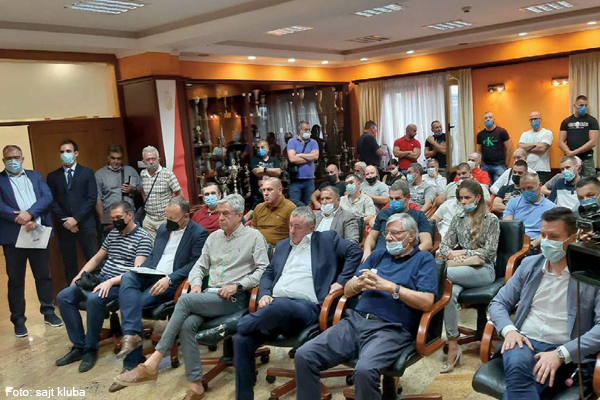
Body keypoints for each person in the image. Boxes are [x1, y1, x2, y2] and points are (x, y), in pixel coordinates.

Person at [114, 194, 269, 400]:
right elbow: (199, 267)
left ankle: (152, 363)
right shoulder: (214, 238)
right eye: (219, 213)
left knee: (185, 301)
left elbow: (263, 270)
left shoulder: (254, 237)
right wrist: (195, 284)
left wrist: (239, 285)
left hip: (235, 298)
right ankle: (196, 387)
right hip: (210, 295)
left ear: (240, 215)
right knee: (187, 324)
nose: (221, 218)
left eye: (226, 214)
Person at [294, 213, 438, 400]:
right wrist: (358, 284)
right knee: (304, 355)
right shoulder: (377, 256)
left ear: (411, 236)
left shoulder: (423, 259)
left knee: (364, 371)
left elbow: (427, 302)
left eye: (395, 233)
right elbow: (347, 290)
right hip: (355, 322)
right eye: (387, 233)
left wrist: (391, 288)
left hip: (391, 329)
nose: (388, 238)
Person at [234, 206, 362, 400]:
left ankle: (235, 325)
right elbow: (268, 273)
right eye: (290, 226)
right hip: (274, 310)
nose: (292, 231)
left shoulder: (326, 239)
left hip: (306, 308)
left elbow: (355, 251)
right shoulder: (283, 246)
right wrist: (264, 294)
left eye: (298, 227)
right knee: (241, 339)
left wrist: (341, 281)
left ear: (311, 228)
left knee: (277, 308)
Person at [489, 207, 600, 399]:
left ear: (573, 238)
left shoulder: (592, 274)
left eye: (554, 237)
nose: (546, 241)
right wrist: (510, 330)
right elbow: (498, 302)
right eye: (543, 235)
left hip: (565, 347)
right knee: (518, 364)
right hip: (523, 342)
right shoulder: (530, 265)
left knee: (521, 384)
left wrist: (561, 354)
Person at [113, 197, 209, 389]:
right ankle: (132, 338)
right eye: (167, 217)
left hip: (172, 280)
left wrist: (170, 279)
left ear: (186, 217)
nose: (168, 222)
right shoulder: (164, 228)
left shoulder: (199, 233)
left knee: (131, 303)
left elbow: (195, 264)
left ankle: (131, 364)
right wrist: (141, 269)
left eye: (173, 219)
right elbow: (154, 256)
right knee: (128, 277)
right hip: (152, 274)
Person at [56, 201, 152, 373]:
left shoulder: (143, 238)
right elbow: (96, 259)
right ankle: (79, 346)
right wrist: (78, 276)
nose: (115, 222)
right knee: (63, 296)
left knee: (94, 299)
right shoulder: (113, 234)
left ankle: (91, 349)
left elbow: (136, 272)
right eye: (113, 218)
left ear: (130, 215)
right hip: (102, 278)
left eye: (119, 217)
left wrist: (111, 282)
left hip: (122, 284)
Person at [0, 145, 62, 338]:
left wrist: (30, 214)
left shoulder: (35, 176)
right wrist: (18, 218)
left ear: (22, 158)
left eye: (16, 157)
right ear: (3, 161)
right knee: (16, 281)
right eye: (9, 158)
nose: (13, 160)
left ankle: (48, 312)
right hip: (13, 237)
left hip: (37, 232)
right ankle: (18, 320)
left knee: (43, 276)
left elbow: (47, 197)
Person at [439, 179, 500, 373]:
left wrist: (463, 253)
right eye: (461, 198)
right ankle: (453, 343)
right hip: (461, 269)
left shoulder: (491, 219)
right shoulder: (458, 218)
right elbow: (443, 245)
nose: (463, 202)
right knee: (447, 292)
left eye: (467, 198)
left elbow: (489, 253)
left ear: (478, 197)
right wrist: (451, 253)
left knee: (442, 274)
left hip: (484, 270)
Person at [47, 139, 98, 285]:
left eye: (68, 151)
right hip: (64, 226)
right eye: (62, 152)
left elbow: (91, 198)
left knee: (93, 260)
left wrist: (76, 219)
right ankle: (72, 293)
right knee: (69, 263)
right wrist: (67, 221)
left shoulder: (87, 173)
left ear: (76, 153)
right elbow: (52, 201)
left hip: (85, 224)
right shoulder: (53, 176)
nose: (65, 154)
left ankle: (96, 291)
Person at [362, 180, 433, 262]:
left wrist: (409, 255)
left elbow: (427, 243)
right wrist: (367, 251)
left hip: (405, 259)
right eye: (391, 198)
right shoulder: (383, 213)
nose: (393, 201)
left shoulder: (418, 216)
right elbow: (371, 237)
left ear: (408, 197)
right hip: (379, 257)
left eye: (397, 198)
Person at [95, 144, 141, 241]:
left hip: (129, 216)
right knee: (112, 245)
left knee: (132, 242)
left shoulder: (130, 171)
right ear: (108, 158)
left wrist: (132, 189)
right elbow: (98, 199)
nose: (116, 161)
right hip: (111, 217)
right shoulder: (99, 174)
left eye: (119, 158)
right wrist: (102, 219)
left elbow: (141, 190)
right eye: (113, 158)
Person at [504, 172, 557, 248]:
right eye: (523, 189)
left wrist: (531, 245)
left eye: (530, 188)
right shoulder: (513, 202)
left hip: (535, 245)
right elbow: (508, 225)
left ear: (540, 186)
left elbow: (547, 233)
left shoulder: (551, 208)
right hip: (514, 242)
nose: (526, 191)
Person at [140, 145, 182, 239]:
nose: (151, 162)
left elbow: (179, 194)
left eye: (153, 159)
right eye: (148, 159)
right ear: (143, 161)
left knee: (166, 245)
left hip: (165, 219)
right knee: (152, 247)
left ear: (159, 160)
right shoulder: (142, 174)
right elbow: (142, 191)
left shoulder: (168, 174)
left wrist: (175, 213)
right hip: (149, 220)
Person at [559, 95, 599, 177]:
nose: (584, 107)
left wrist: (574, 152)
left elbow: (593, 142)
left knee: (589, 182)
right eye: (581, 105)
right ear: (575, 105)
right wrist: (569, 153)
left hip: (586, 159)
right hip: (570, 160)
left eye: (585, 105)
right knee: (570, 181)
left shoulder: (592, 121)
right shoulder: (566, 121)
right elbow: (561, 142)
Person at [251, 177, 296, 246]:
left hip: (278, 249)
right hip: (259, 248)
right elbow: (253, 231)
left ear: (280, 190)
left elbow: (294, 236)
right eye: (263, 190)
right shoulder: (258, 207)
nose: (265, 193)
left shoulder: (290, 208)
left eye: (269, 189)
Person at [287, 120, 319, 204]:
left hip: (309, 179)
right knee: (293, 204)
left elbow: (315, 157)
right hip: (295, 180)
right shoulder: (292, 141)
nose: (308, 132)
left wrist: (300, 155)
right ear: (300, 130)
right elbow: (292, 159)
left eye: (309, 129)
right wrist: (309, 157)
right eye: (306, 130)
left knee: (309, 204)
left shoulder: (313, 142)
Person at [477, 112, 512, 184]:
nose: (488, 119)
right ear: (484, 121)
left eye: (490, 117)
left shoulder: (502, 132)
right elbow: (479, 150)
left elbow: (509, 148)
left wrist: (506, 164)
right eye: (486, 118)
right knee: (486, 187)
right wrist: (479, 164)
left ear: (494, 119)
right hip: (485, 166)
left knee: (498, 187)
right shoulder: (480, 134)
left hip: (499, 166)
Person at [519, 111, 553, 183]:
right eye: (531, 119)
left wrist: (526, 148)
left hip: (542, 170)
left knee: (541, 189)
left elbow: (542, 149)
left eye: (535, 119)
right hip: (527, 169)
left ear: (540, 120)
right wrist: (535, 144)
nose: (533, 121)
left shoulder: (547, 133)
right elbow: (520, 147)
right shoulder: (525, 134)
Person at [249, 139, 282, 208]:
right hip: (258, 194)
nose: (260, 149)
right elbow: (257, 172)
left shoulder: (275, 160)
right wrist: (272, 172)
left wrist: (264, 169)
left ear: (267, 149)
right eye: (258, 148)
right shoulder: (254, 160)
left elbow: (278, 172)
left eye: (262, 147)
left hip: (272, 193)